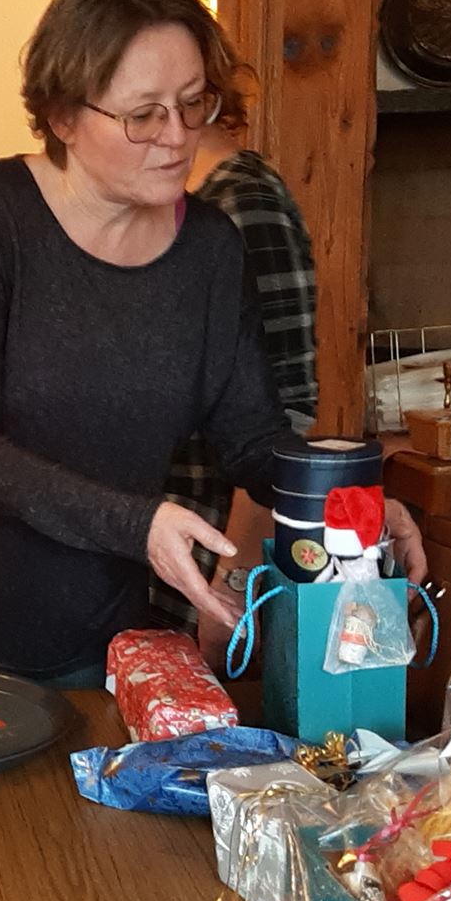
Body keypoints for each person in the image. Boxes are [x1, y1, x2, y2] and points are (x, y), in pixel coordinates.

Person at [0, 0, 423, 689]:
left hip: (101, 634)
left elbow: (251, 441)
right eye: (143, 115)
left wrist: (350, 504)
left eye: (193, 103)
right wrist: (138, 524)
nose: (178, 136)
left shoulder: (211, 249)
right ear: (63, 117)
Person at [150, 64, 321, 631]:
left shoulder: (243, 201)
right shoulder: (181, 204)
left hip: (209, 547)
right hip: (170, 541)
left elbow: (284, 408)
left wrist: (234, 577)